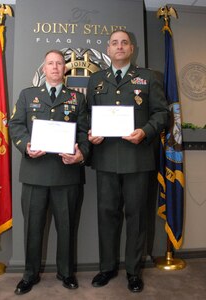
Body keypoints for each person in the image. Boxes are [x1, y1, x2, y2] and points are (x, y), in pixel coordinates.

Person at [87, 30, 169, 293]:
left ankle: (134, 271)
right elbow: (87, 115)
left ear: (131, 48)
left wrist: (145, 131)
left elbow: (161, 113)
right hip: (106, 158)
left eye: (124, 43)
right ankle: (107, 267)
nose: (119, 46)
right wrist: (90, 134)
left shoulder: (147, 78)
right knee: (106, 216)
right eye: (114, 43)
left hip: (138, 159)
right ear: (108, 49)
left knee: (136, 217)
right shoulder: (97, 79)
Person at [9, 49, 89, 295]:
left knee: (66, 227)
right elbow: (16, 125)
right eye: (50, 63)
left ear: (64, 69)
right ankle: (29, 275)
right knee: (33, 227)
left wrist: (81, 154)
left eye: (59, 63)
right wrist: (25, 145)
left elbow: (84, 132)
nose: (55, 67)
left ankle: (66, 273)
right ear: (43, 69)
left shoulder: (78, 98)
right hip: (35, 172)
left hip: (66, 174)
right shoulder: (27, 95)